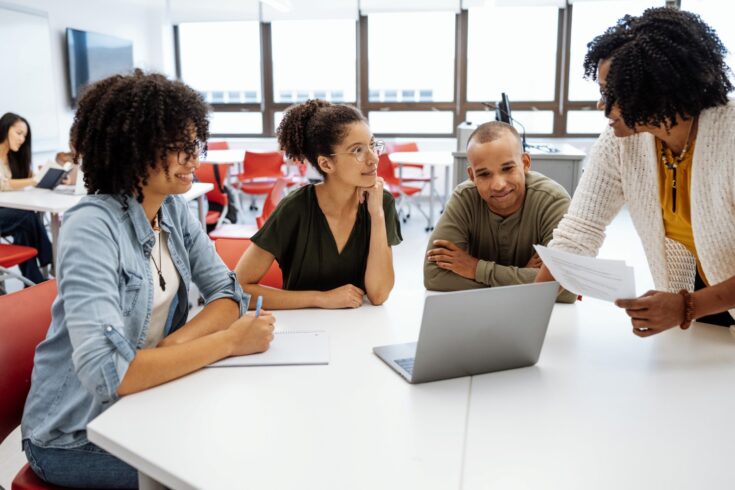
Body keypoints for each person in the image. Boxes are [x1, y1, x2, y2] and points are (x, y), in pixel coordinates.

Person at [21, 71, 276, 488]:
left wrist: (175, 345)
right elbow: (110, 373)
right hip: (73, 435)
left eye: (195, 143)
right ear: (132, 150)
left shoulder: (172, 209)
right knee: (233, 467)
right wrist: (228, 341)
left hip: (148, 400)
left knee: (253, 434)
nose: (194, 158)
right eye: (178, 147)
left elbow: (229, 293)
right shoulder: (92, 227)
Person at [536, 7, 735, 335]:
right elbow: (577, 233)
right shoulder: (620, 142)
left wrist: (687, 306)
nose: (601, 105)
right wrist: (523, 314)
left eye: (609, 93)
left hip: (701, 302)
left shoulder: (728, 135)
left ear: (655, 90)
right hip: (704, 303)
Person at [235, 99, 402, 309]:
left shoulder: (381, 203)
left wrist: (376, 214)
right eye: (358, 150)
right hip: (303, 331)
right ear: (326, 163)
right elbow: (239, 288)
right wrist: (320, 298)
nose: (374, 159)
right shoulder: (295, 208)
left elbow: (379, 294)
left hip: (360, 330)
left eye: (372, 145)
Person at [423, 121, 576, 302]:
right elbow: (434, 276)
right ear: (472, 176)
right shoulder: (464, 198)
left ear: (525, 163)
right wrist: (525, 277)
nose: (498, 185)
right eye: (484, 174)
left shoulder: (552, 200)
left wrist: (476, 269)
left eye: (507, 168)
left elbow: (567, 289)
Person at [0, 112, 52, 283]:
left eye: (25, 136)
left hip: (9, 214)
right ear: (6, 128)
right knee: (27, 216)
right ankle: (52, 259)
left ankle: (33, 281)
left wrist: (43, 176)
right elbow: (3, 184)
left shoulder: (14, 157)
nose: (22, 139)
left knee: (24, 226)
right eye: (19, 133)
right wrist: (32, 180)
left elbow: (27, 179)